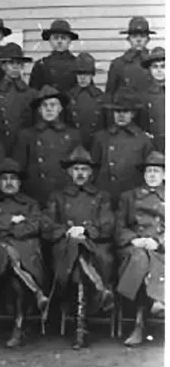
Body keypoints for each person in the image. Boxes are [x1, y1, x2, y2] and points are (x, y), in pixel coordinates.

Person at [43, 146, 115, 349]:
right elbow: (47, 225)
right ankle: (100, 289)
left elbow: (108, 224)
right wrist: (67, 232)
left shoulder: (102, 197)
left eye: (84, 169)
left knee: (81, 258)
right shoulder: (57, 197)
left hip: (95, 247)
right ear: (69, 172)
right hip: (65, 247)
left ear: (91, 173)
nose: (80, 173)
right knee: (74, 253)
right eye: (76, 169)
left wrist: (84, 229)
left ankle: (80, 328)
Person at [0, 158, 49, 348]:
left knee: (15, 273)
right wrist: (13, 220)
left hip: (27, 247)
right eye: (4, 179)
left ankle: (19, 325)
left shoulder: (31, 203)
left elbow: (36, 225)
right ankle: (35, 295)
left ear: (20, 182)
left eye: (13, 178)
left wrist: (9, 228)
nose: (9, 183)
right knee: (7, 256)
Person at [115, 151, 165, 346]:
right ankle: (156, 302)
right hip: (133, 248)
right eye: (149, 171)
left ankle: (139, 324)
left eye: (157, 171)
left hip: (160, 248)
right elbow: (119, 227)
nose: (152, 175)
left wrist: (159, 242)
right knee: (140, 258)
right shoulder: (128, 197)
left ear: (164, 175)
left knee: (147, 259)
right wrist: (135, 239)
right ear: (143, 174)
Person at [13, 85, 81, 206]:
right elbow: (20, 168)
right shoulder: (27, 135)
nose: (49, 109)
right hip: (35, 193)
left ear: (60, 108)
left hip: (64, 194)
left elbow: (78, 168)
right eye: (44, 105)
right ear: (39, 109)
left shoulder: (73, 135)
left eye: (53, 105)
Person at [91, 95, 155, 204]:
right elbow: (93, 168)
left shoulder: (143, 139)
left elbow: (149, 169)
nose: (121, 115)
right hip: (105, 193)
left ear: (133, 114)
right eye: (117, 111)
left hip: (132, 194)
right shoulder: (101, 137)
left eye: (125, 111)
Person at [0, 42, 37, 155]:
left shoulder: (31, 94)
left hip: (22, 146)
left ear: (23, 66)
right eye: (11, 63)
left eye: (18, 63)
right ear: (3, 66)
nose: (15, 66)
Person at [66, 53, 108, 151]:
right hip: (74, 144)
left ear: (92, 75)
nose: (83, 78)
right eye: (80, 74)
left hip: (95, 144)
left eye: (86, 74)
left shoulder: (101, 97)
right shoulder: (68, 97)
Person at [106, 16, 155, 97]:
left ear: (148, 39)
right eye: (134, 36)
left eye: (142, 36)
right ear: (128, 39)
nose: (138, 40)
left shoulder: (155, 65)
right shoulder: (118, 65)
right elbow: (109, 95)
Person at [28, 19, 79, 94]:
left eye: (63, 38)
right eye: (55, 38)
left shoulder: (78, 64)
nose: (59, 41)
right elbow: (33, 93)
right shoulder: (41, 65)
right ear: (50, 40)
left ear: (69, 41)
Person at [136, 47, 164, 153]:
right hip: (153, 146)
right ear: (150, 70)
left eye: (163, 66)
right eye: (155, 67)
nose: (159, 70)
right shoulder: (143, 95)